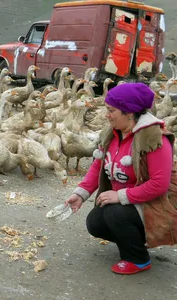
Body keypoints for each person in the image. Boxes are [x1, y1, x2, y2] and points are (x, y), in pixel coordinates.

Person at [65, 82, 174, 275]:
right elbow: (99, 165)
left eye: (111, 110)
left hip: (156, 205)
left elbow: (159, 184)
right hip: (132, 203)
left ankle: (138, 259)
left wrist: (121, 196)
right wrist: (80, 194)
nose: (106, 115)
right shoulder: (112, 134)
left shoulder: (154, 138)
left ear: (129, 112)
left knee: (114, 212)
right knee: (96, 221)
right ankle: (136, 241)